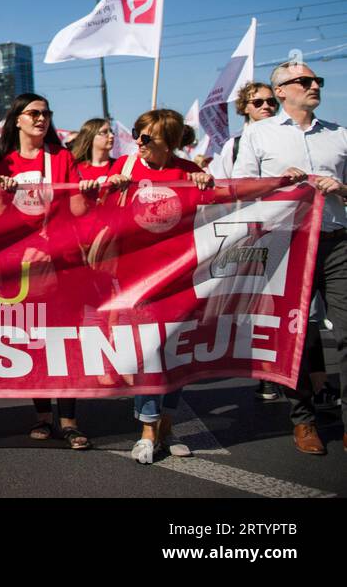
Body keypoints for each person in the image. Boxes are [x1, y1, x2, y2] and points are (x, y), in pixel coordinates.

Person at [233, 61, 347, 455]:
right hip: (288, 245)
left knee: (345, 334)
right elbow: (242, 189)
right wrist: (280, 184)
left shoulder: (339, 134)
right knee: (293, 335)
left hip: (336, 242)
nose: (314, 85)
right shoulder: (257, 135)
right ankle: (304, 420)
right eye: (305, 80)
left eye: (317, 80)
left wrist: (341, 187)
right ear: (281, 91)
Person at [0, 93, 92, 450]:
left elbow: (76, 209)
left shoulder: (60, 158)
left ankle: (70, 420)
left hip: (60, 260)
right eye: (34, 113)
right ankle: (43, 415)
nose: (41, 119)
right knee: (35, 339)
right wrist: (0, 197)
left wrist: (86, 190)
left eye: (46, 113)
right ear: (17, 119)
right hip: (19, 265)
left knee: (66, 339)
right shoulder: (1, 162)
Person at [110, 109, 214, 463]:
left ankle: (167, 427)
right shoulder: (124, 166)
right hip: (136, 279)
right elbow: (100, 210)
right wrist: (112, 191)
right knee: (148, 352)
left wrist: (208, 184)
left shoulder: (188, 172)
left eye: (148, 137)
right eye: (138, 133)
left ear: (170, 143)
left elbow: (221, 208)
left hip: (180, 276)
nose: (139, 141)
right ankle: (147, 430)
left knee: (175, 352)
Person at [207, 82, 283, 400]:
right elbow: (226, 189)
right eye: (259, 102)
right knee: (262, 306)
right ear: (245, 108)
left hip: (298, 233)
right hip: (256, 234)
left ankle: (307, 379)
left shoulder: (290, 138)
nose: (267, 106)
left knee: (297, 310)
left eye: (271, 102)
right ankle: (267, 372)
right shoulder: (234, 146)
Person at [69, 118, 119, 184]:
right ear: (90, 137)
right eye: (104, 132)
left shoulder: (119, 164)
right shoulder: (76, 169)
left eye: (111, 131)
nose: (111, 135)